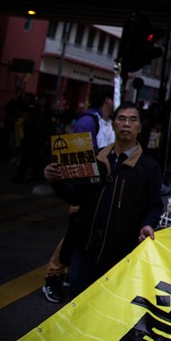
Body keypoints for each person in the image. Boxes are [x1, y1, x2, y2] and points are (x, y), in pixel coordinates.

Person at [43, 101, 163, 298]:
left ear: (139, 128)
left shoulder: (149, 167)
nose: (126, 124)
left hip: (121, 255)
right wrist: (55, 181)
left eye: (133, 120)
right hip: (85, 249)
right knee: (76, 307)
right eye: (121, 119)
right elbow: (76, 196)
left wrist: (148, 224)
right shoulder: (96, 158)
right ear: (113, 124)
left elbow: (154, 205)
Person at [41, 84, 115, 304]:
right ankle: (52, 277)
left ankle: (66, 275)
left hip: (98, 190)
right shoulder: (88, 121)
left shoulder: (103, 122)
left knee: (80, 236)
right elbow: (81, 161)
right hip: (86, 191)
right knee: (74, 235)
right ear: (108, 100)